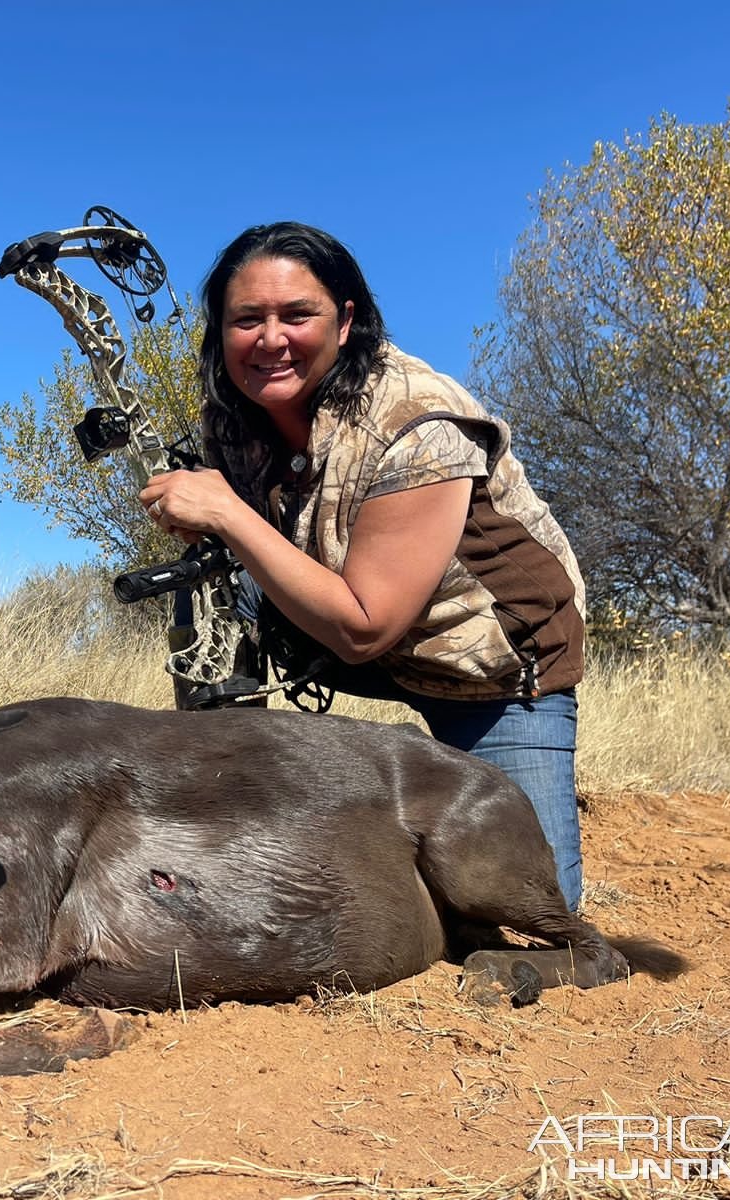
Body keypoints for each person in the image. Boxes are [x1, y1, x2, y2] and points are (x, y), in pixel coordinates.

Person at [138, 222, 588, 909]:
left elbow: (366, 627)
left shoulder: (418, 421)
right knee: (213, 591)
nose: (270, 340)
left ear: (346, 321)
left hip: (488, 671)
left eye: (297, 315)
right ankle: (229, 803)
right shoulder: (232, 415)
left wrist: (226, 512)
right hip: (352, 636)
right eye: (246, 320)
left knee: (524, 909)